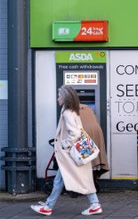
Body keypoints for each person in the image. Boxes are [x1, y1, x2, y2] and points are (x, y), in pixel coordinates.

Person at [31, 85, 102, 216]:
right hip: (74, 153)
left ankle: (48, 206)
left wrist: (64, 144)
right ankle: (94, 204)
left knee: (70, 180)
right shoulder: (71, 111)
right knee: (66, 180)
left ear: (65, 98)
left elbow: (74, 133)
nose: (57, 98)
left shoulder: (67, 113)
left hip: (69, 154)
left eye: (59, 96)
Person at [79, 104, 109, 187]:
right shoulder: (88, 107)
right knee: (95, 160)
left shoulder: (70, 109)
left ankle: (86, 185)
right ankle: (92, 183)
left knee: (86, 160)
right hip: (97, 131)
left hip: (84, 132)